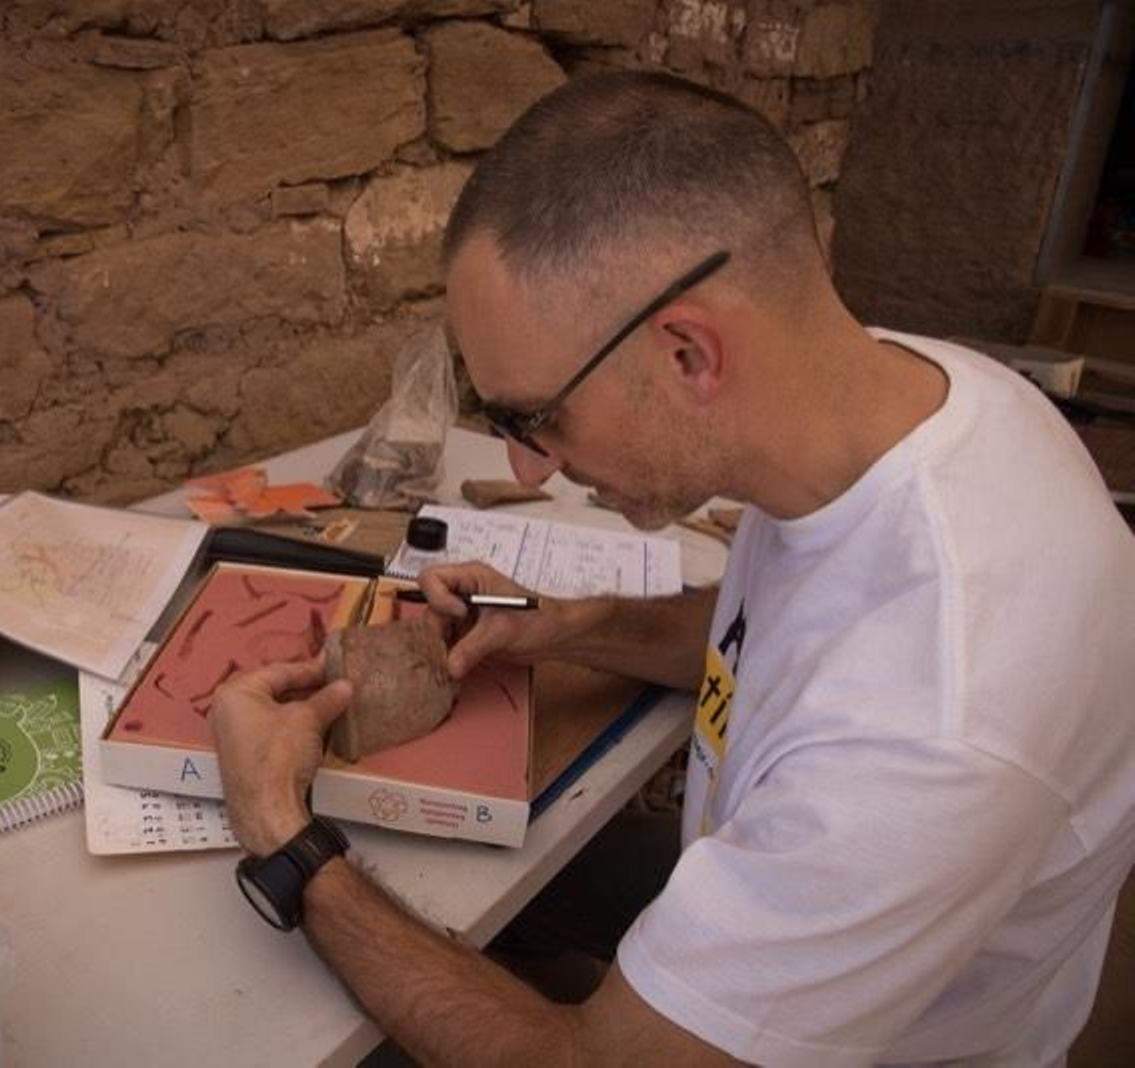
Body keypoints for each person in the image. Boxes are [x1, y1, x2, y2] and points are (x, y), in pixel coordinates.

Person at [210, 70, 1135, 1065]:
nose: (525, 465)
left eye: (536, 418)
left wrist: (286, 842)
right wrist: (568, 624)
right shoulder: (915, 399)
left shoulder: (933, 722)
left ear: (688, 353)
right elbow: (796, 629)